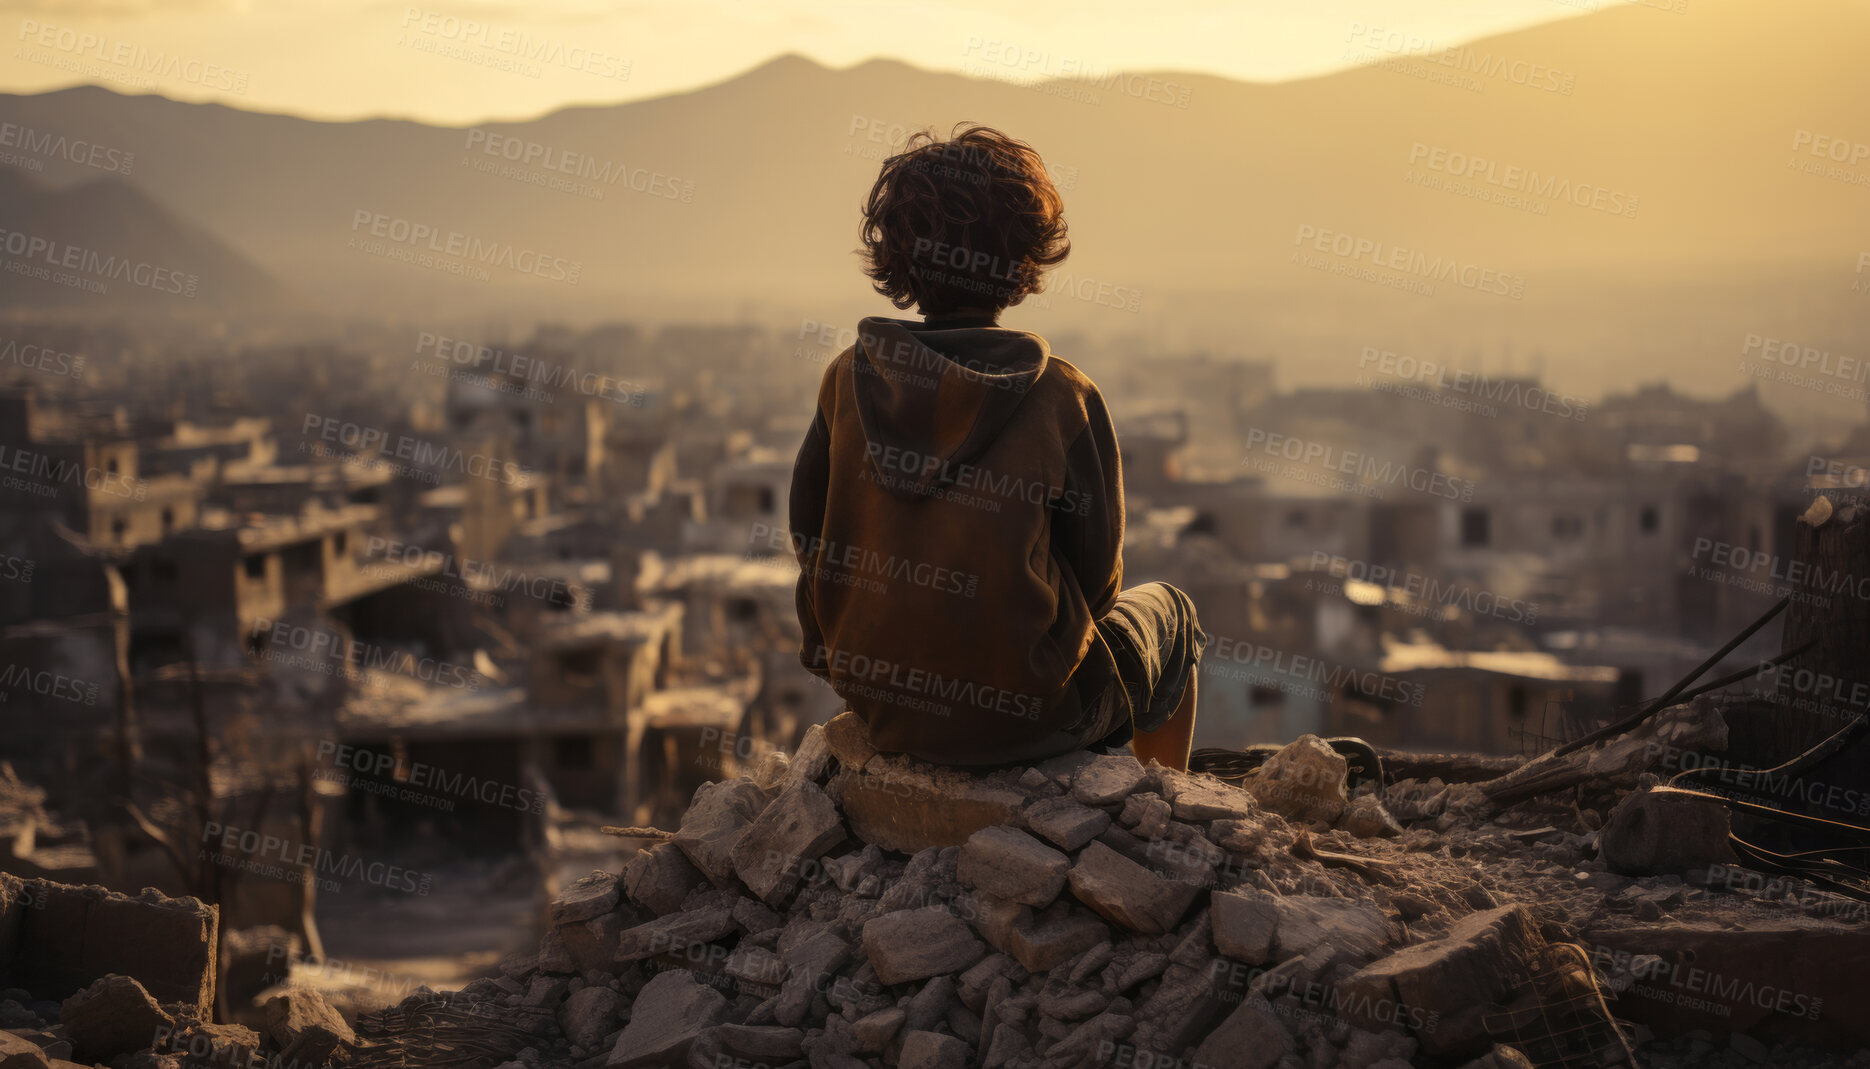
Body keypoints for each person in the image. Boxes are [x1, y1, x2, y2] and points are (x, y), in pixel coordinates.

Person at [786, 123, 1207, 770]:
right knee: (1173, 614)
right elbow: (1100, 585)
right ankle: (1161, 803)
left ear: (895, 256)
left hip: (883, 706)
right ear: (1024, 260)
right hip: (1034, 714)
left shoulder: (846, 380)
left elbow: (811, 542)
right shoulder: (1063, 395)